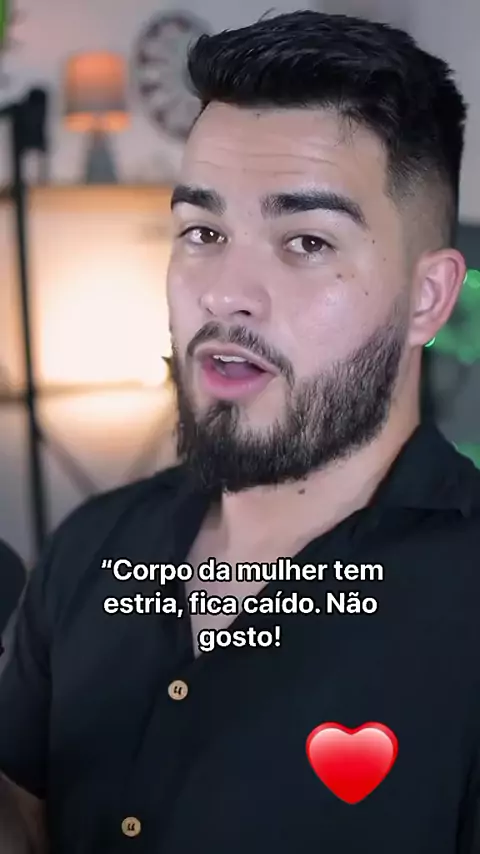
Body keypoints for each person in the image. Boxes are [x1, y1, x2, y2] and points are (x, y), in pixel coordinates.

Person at [0, 9, 479, 853]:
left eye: (306, 241)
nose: (226, 293)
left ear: (428, 299)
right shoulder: (90, 549)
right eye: (204, 232)